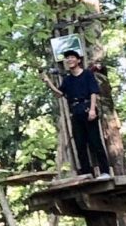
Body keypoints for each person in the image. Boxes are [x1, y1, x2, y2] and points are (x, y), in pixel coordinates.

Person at [41, 50, 111, 179]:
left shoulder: (87, 74)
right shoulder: (67, 80)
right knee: (80, 144)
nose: (69, 60)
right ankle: (86, 174)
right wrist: (48, 82)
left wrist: (92, 109)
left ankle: (105, 172)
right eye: (67, 58)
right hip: (75, 111)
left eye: (72, 57)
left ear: (78, 60)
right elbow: (59, 94)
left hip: (87, 108)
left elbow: (93, 92)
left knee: (95, 142)